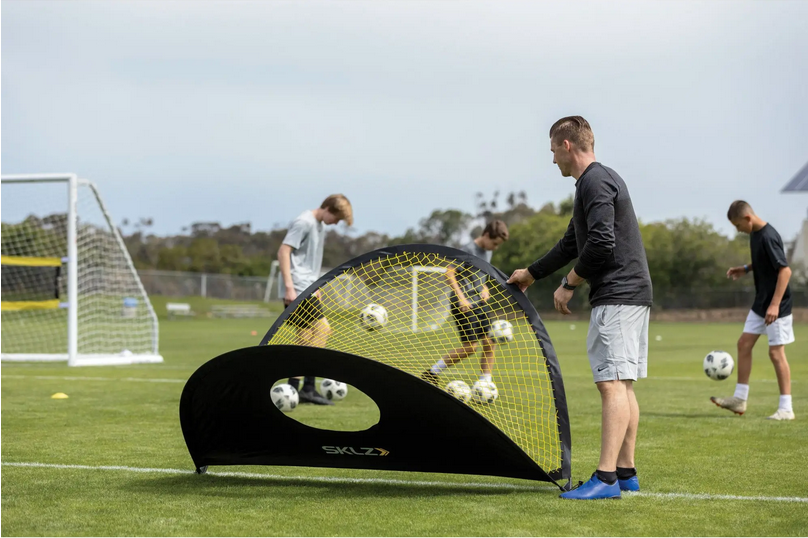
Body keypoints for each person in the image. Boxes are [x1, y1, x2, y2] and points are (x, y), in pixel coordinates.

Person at [507, 116, 653, 500]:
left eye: (553, 150)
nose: (552, 158)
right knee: (622, 383)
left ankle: (606, 479)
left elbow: (601, 242)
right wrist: (532, 274)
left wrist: (569, 284)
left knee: (611, 384)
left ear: (567, 145)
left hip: (618, 294)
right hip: (631, 293)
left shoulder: (594, 181)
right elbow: (572, 243)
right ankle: (626, 473)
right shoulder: (596, 181)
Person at [711, 201, 795, 420]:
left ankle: (786, 408)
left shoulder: (768, 236)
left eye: (738, 225)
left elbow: (785, 271)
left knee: (776, 353)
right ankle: (740, 398)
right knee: (744, 344)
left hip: (777, 305)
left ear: (748, 218)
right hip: (761, 303)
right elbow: (765, 261)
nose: (738, 230)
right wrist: (746, 268)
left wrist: (775, 304)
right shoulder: (755, 234)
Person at [277, 194, 354, 405]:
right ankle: (308, 387)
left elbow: (308, 261)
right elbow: (283, 252)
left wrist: (315, 285)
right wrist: (289, 287)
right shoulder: (304, 222)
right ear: (328, 208)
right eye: (336, 219)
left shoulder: (319, 225)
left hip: (307, 286)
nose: (335, 223)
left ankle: (294, 388)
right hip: (297, 288)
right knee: (323, 330)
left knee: (304, 337)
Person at [422, 220, 509, 386]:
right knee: (470, 348)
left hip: (479, 302)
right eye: (495, 243)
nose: (495, 248)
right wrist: (461, 297)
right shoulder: (468, 250)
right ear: (486, 235)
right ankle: (432, 372)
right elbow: (449, 273)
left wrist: (484, 288)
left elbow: (477, 276)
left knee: (490, 342)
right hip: (463, 303)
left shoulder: (488, 251)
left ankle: (485, 384)